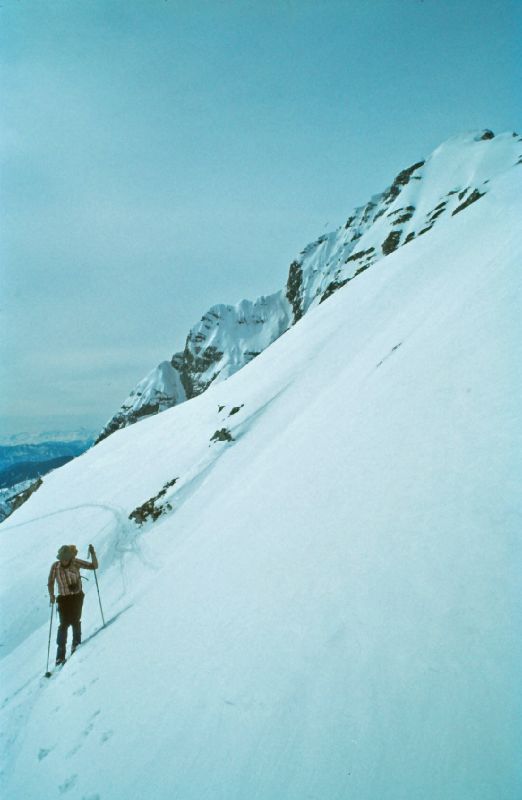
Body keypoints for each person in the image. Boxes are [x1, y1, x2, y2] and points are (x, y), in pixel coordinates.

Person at [48, 543, 99, 666]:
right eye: (62, 558)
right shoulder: (55, 567)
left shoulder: (75, 562)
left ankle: (76, 643)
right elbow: (50, 581)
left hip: (77, 596)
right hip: (63, 599)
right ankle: (60, 655)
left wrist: (93, 554)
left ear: (70, 557)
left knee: (75, 620)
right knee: (64, 624)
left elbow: (94, 566)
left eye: (66, 558)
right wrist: (51, 595)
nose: (64, 560)